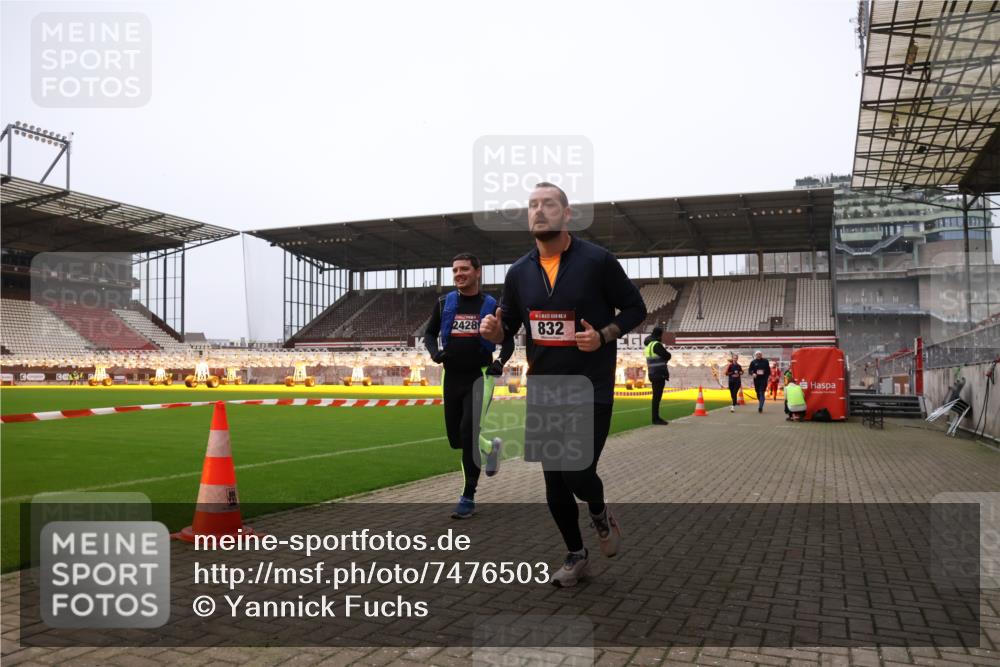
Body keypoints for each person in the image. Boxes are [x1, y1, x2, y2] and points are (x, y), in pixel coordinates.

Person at [480, 182, 647, 587]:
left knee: (577, 469)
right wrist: (496, 331)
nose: (539, 211)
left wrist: (603, 335)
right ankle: (576, 555)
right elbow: (509, 324)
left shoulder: (597, 260)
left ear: (567, 213)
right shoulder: (518, 272)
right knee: (554, 481)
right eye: (532, 205)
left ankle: (599, 511)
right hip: (545, 388)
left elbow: (635, 308)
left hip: (591, 385)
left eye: (549, 204)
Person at [424, 252, 514, 520]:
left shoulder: (492, 305)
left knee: (468, 432)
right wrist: (435, 353)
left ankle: (468, 496)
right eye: (455, 270)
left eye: (464, 269)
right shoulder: (443, 303)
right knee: (456, 440)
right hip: (451, 377)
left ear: (477, 272)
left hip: (480, 376)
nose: (458, 274)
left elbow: (507, 341)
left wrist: (500, 361)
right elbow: (429, 333)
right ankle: (490, 447)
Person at [643, 327, 671, 425]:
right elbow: (667, 355)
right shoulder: (656, 345)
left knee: (656, 397)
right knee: (657, 397)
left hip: (652, 373)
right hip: (659, 373)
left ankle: (655, 418)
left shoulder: (648, 346)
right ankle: (655, 419)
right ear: (659, 335)